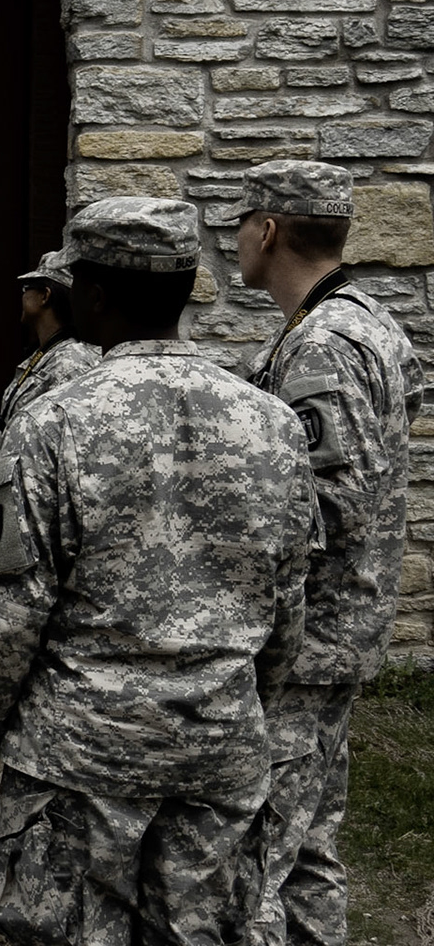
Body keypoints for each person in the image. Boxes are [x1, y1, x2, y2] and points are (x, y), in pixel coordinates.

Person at [0, 196, 316, 946]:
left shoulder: (52, 423)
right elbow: (286, 607)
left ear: (93, 293)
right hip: (214, 752)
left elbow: (6, 618)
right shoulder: (272, 423)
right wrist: (243, 705)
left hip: (77, 761)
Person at [224, 161, 424, 946]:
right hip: (340, 632)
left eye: (241, 222)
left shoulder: (323, 344)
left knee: (258, 859)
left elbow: (328, 503)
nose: (235, 238)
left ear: (268, 229)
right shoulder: (370, 322)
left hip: (307, 640)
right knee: (308, 849)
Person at [0, 251, 101, 437]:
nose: (22, 295)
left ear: (45, 295)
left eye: (26, 288)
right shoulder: (48, 354)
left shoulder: (71, 363)